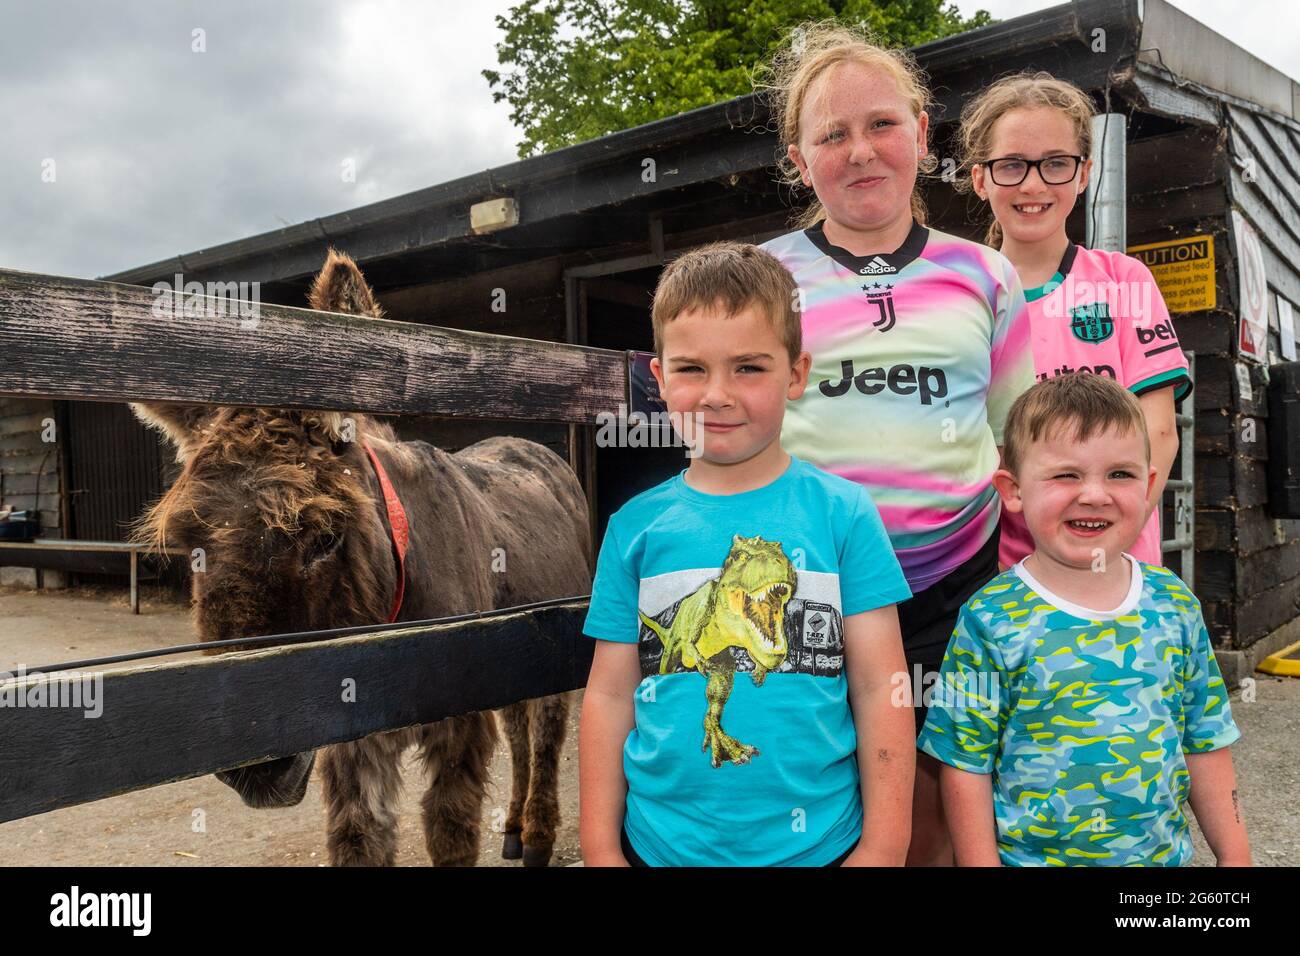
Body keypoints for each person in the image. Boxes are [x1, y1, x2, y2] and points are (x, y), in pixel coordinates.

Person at [757, 22, 1035, 865]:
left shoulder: (985, 275)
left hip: (951, 587)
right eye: (831, 135)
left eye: (881, 124)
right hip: (807, 587)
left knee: (942, 798)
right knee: (813, 788)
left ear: (922, 130)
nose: (860, 151)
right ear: (800, 162)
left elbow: (1018, 443)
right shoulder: (760, 277)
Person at [578, 242, 916, 866]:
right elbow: (607, 696)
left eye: (749, 368)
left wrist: (887, 846)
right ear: (658, 379)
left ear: (795, 373)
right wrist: (600, 849)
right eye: (691, 370)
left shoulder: (844, 515)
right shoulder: (634, 528)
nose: (718, 395)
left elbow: (880, 687)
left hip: (823, 848)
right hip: (661, 848)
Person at [918, 373, 1250, 866]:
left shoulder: (1175, 604)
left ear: (1149, 485)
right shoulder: (990, 618)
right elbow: (965, 764)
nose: (1094, 494)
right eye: (1065, 475)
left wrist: (1235, 855)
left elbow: (1206, 741)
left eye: (1120, 474)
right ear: (1013, 490)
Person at [956, 70, 1191, 569]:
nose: (1033, 184)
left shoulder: (1124, 282)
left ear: (1084, 174)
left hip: (1122, 573)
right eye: (1012, 165)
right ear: (981, 178)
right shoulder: (960, 298)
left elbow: (1160, 433)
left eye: (1055, 164)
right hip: (1005, 579)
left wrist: (1102, 549)